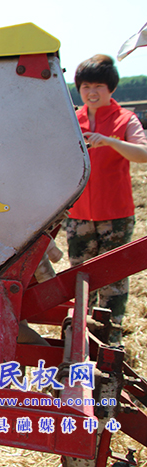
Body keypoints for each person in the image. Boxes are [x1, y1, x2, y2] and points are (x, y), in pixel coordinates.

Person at [67, 54, 147, 344]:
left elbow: (143, 154)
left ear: (111, 88)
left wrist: (111, 141)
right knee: (80, 278)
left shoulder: (126, 119)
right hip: (78, 216)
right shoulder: (71, 120)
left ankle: (110, 341)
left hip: (115, 215)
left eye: (98, 86)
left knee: (113, 279)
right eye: (86, 86)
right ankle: (80, 338)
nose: (91, 92)